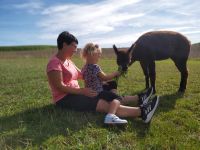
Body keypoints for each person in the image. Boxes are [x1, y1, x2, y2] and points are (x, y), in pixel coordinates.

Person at [46, 31, 159, 125]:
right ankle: (142, 112)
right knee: (104, 103)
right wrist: (82, 91)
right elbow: (60, 87)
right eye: (74, 47)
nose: (76, 50)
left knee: (110, 92)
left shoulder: (68, 61)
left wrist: (100, 81)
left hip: (77, 93)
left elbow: (82, 75)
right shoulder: (54, 63)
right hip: (65, 98)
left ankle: (139, 98)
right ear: (65, 45)